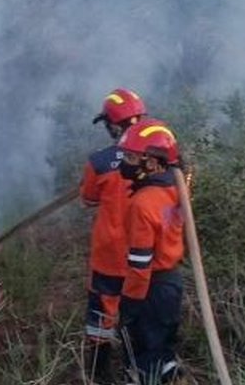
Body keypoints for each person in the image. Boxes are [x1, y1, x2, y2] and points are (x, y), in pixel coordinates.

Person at [80, 88, 147, 383]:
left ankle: (98, 374)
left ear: (114, 125)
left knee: (101, 316)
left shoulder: (100, 161)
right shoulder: (159, 157)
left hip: (109, 255)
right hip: (145, 257)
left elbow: (88, 198)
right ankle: (138, 370)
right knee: (139, 312)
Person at [118, 119, 185, 384]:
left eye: (132, 157)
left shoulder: (143, 204)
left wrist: (130, 303)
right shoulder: (174, 188)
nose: (125, 162)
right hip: (171, 285)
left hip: (150, 289)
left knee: (143, 358)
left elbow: (139, 263)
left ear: (153, 163)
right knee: (162, 349)